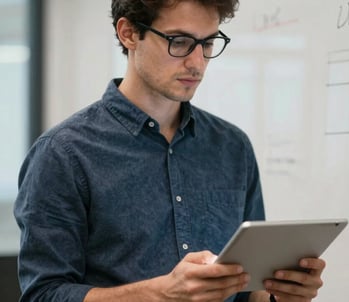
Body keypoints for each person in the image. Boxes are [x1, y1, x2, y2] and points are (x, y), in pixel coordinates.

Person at [14, 1, 326, 301]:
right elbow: (44, 294)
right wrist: (161, 295)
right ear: (129, 33)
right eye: (179, 41)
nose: (197, 62)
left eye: (208, 43)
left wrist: (279, 294)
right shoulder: (62, 154)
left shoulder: (233, 147)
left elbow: (245, 290)